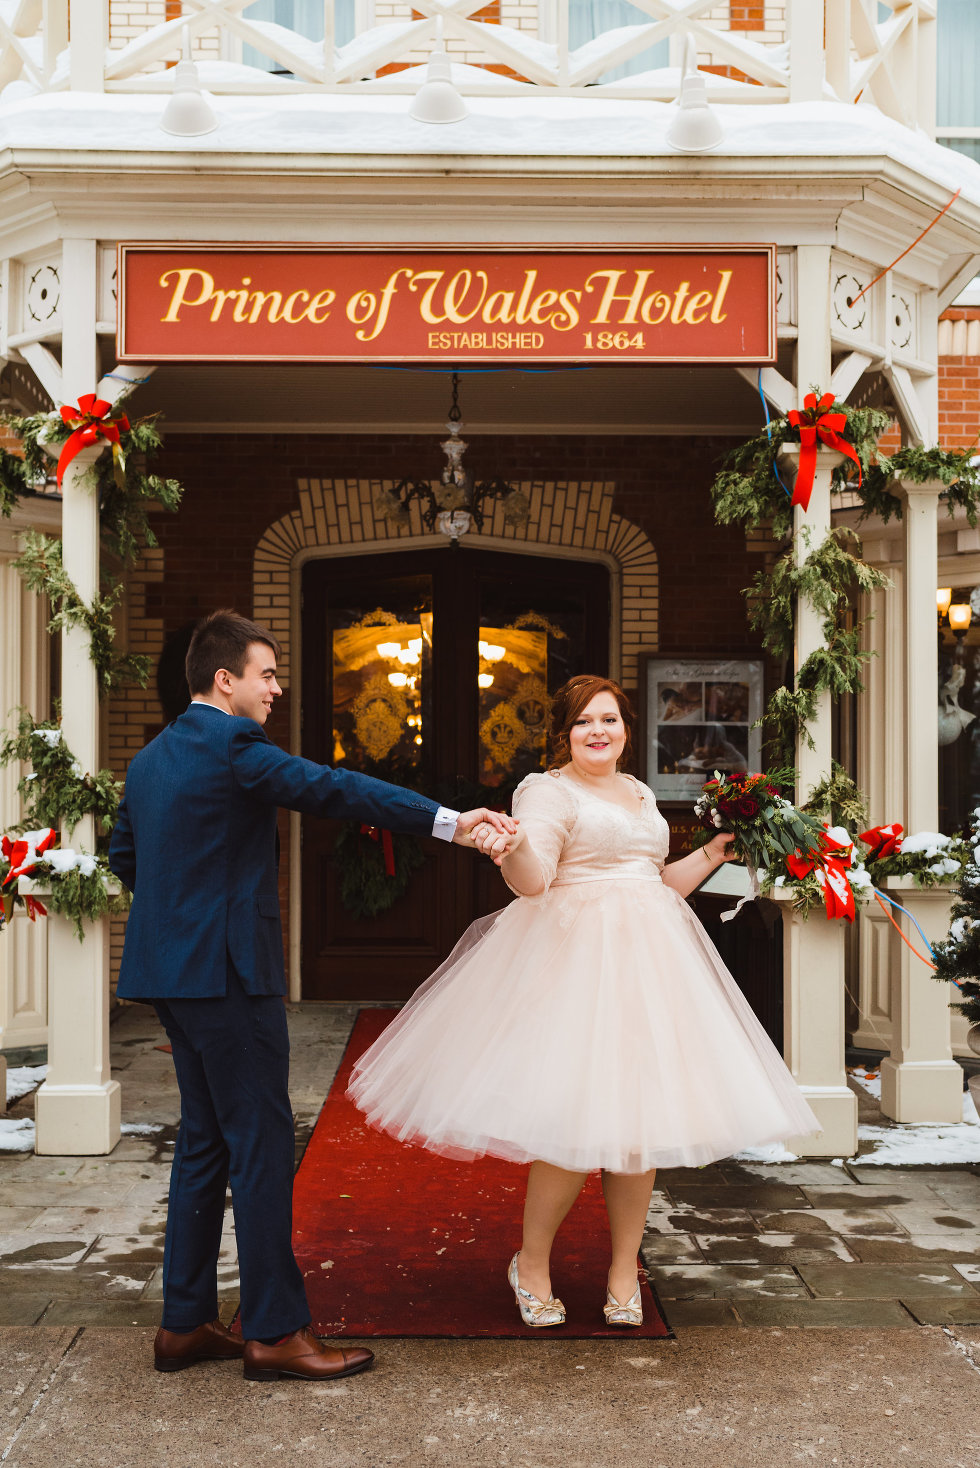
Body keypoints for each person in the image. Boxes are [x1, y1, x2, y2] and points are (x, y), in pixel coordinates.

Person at [108, 610, 516, 1381]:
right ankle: (274, 1331)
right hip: (229, 977)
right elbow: (331, 788)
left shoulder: (150, 758)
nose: (276, 688)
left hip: (168, 975)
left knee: (204, 1140)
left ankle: (185, 1322)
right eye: (266, 674)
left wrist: (183, 919)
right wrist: (453, 822)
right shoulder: (235, 744)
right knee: (259, 1145)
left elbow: (127, 855)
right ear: (224, 680)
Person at [348, 674, 819, 1329]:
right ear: (565, 734)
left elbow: (657, 883)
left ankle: (624, 1269)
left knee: (639, 1131)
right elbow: (535, 880)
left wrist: (714, 850)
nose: (598, 731)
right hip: (573, 967)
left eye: (610, 719)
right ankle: (532, 1264)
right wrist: (511, 850)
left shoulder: (639, 791)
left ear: (627, 728)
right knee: (570, 1132)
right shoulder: (546, 790)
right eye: (583, 722)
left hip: (652, 968)